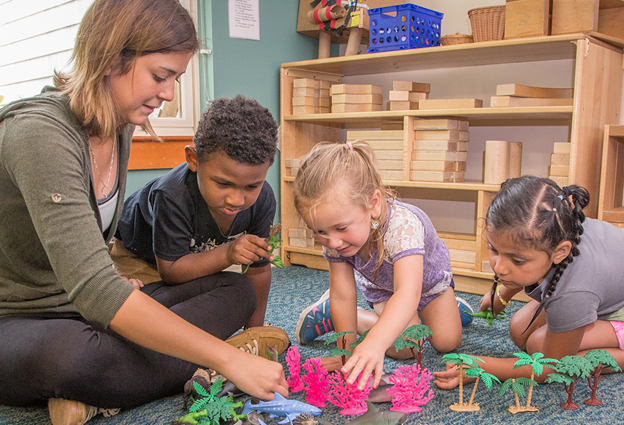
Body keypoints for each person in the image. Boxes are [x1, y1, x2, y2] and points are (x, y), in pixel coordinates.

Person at [0, 1, 288, 424]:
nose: (169, 92)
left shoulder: (119, 123)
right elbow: (96, 291)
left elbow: (90, 267)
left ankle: (99, 389)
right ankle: (110, 382)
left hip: (82, 309)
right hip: (20, 319)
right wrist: (227, 358)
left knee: (236, 292)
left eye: (176, 79)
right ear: (111, 55)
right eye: (161, 76)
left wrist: (115, 287)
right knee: (75, 357)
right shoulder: (38, 134)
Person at [291, 140, 468, 390]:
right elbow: (342, 295)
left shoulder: (403, 228)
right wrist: (348, 354)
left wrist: (374, 342)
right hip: (384, 288)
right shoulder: (335, 236)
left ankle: (435, 310)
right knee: (408, 347)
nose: (332, 241)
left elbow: (409, 291)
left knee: (448, 341)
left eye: (341, 228)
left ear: (373, 204)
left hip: (426, 286)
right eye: (319, 231)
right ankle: (337, 315)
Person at [433, 176, 624, 390]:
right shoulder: (557, 226)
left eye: (517, 260)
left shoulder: (574, 290)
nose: (499, 268)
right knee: (520, 329)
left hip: (614, 307)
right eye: (494, 249)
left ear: (560, 252)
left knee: (541, 350)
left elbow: (550, 367)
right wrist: (502, 294)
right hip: (603, 289)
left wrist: (482, 366)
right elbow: (521, 261)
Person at [114, 95, 281, 329]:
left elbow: (259, 271)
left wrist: (255, 332)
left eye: (252, 186)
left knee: (239, 293)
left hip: (194, 261)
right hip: (139, 258)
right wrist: (228, 254)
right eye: (223, 184)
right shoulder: (172, 195)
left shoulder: (263, 199)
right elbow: (171, 271)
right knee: (141, 316)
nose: (236, 200)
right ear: (193, 160)